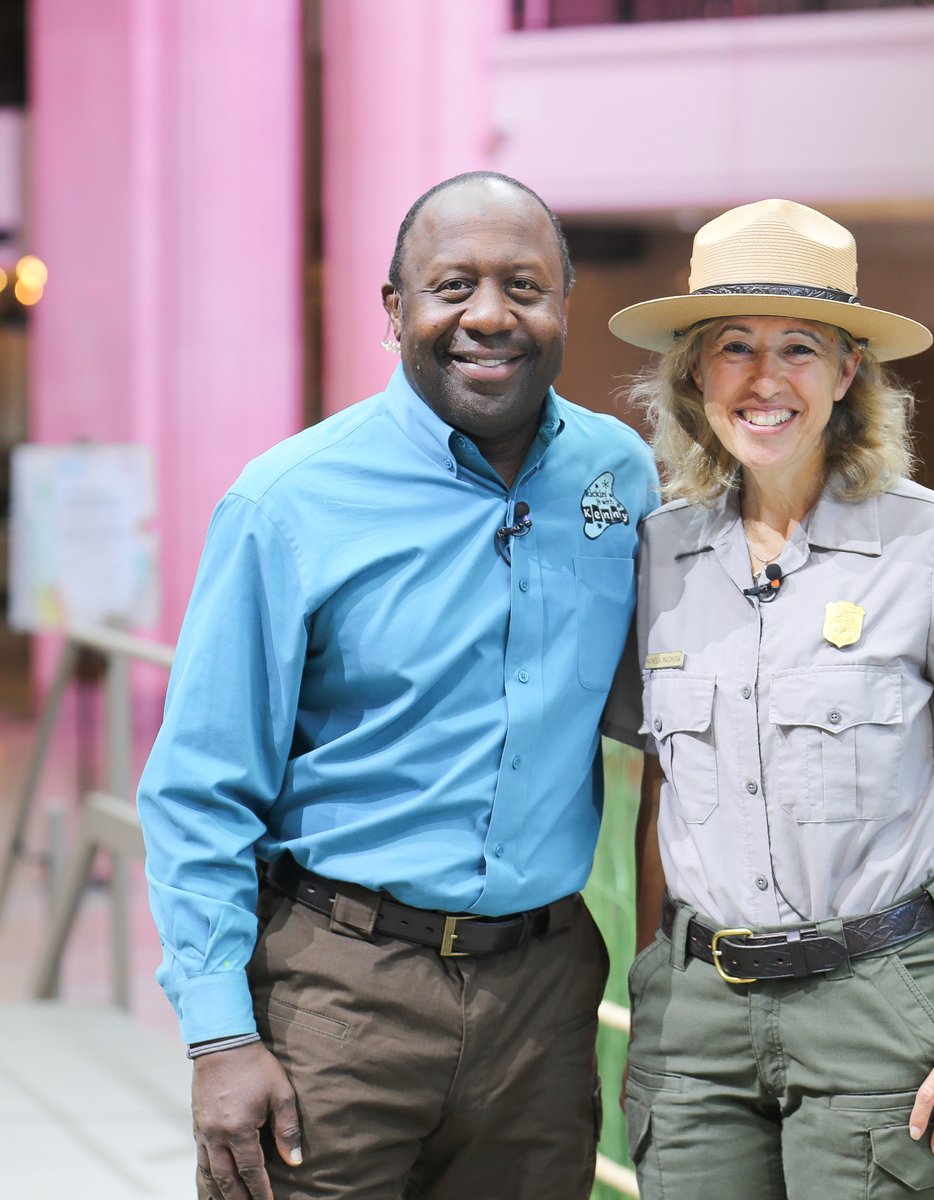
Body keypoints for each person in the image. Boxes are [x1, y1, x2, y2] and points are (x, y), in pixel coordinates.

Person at [137, 171, 658, 1200]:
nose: (489, 315)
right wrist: (217, 1038)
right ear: (395, 311)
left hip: (543, 1004)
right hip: (336, 994)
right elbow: (200, 788)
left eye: (523, 285)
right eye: (452, 285)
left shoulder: (621, 478)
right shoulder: (287, 503)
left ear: (564, 305)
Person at [608, 199, 934, 1199]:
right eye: (734, 346)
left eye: (800, 349)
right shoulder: (659, 553)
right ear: (694, 370)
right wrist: (655, 979)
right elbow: (660, 794)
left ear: (848, 372)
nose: (765, 380)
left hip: (879, 1005)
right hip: (698, 1023)